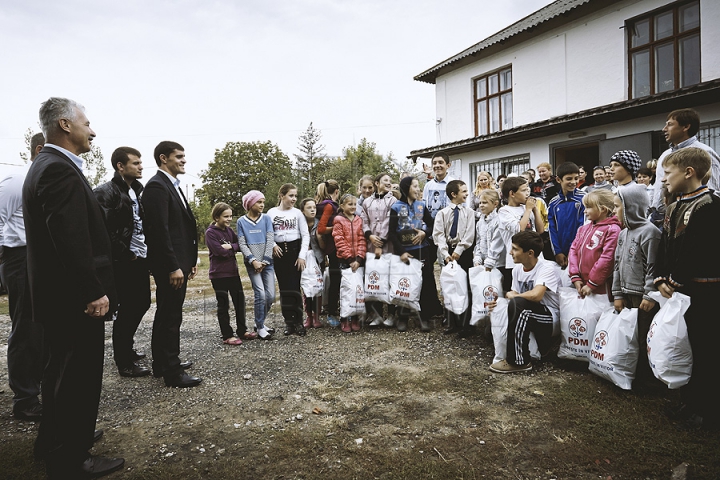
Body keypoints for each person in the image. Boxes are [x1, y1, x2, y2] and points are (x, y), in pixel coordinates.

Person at [23, 97, 124, 477]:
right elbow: (70, 239)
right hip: (72, 299)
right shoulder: (57, 170)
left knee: (59, 372)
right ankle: (70, 458)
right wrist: (92, 291)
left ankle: (54, 439)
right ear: (65, 125)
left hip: (58, 297)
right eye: (86, 122)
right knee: (77, 377)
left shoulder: (46, 165)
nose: (92, 130)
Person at [654, 147, 720, 431]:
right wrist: (659, 277)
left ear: (689, 172)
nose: (663, 180)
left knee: (707, 350)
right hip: (679, 291)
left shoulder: (711, 206)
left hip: (705, 292)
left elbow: (699, 251)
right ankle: (689, 402)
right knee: (686, 346)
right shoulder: (673, 206)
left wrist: (676, 280)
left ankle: (707, 411)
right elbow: (664, 248)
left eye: (668, 173)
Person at [142, 141, 201, 388]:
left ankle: (162, 363)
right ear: (163, 158)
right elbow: (159, 232)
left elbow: (180, 227)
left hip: (180, 263)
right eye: (179, 156)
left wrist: (190, 260)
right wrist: (172, 266)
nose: (184, 160)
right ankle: (172, 371)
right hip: (171, 267)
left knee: (167, 313)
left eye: (184, 156)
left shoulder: (171, 185)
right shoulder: (157, 186)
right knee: (170, 316)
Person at [94, 146, 151, 378]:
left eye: (140, 162)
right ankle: (124, 361)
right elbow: (103, 231)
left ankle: (126, 348)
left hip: (139, 258)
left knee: (142, 303)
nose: (140, 166)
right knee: (128, 309)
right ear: (120, 166)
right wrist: (126, 254)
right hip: (123, 261)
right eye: (135, 163)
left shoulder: (137, 190)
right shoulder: (105, 192)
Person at [0, 132, 45, 420]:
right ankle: (25, 399)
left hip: (44, 260)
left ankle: (40, 386)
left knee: (44, 328)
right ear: (39, 149)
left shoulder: (49, 183)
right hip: (19, 259)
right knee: (26, 329)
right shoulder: (17, 181)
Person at [611, 185, 661, 392]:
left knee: (643, 338)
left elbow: (654, 267)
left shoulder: (650, 233)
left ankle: (647, 381)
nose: (614, 211)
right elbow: (617, 264)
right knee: (629, 336)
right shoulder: (623, 234)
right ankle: (631, 373)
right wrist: (617, 293)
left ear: (631, 207)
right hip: (627, 294)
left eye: (617, 207)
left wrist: (649, 294)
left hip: (643, 297)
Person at [488, 231, 560, 374]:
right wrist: (500, 303)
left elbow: (536, 296)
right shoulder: (517, 270)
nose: (510, 252)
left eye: (515, 249)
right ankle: (532, 350)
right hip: (530, 313)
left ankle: (519, 361)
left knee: (519, 304)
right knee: (500, 309)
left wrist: (513, 296)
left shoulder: (547, 267)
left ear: (530, 253)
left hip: (550, 317)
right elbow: (513, 299)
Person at [389, 176, 440, 331]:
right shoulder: (396, 207)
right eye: (415, 186)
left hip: (422, 250)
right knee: (405, 282)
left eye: (419, 186)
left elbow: (432, 225)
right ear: (406, 189)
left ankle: (423, 317)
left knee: (424, 283)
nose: (418, 189)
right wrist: (402, 252)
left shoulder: (421, 205)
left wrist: (424, 233)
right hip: (404, 253)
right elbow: (391, 233)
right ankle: (402, 317)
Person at [206, 202, 256, 345]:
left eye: (230, 216)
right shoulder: (211, 233)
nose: (229, 219)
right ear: (216, 217)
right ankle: (227, 335)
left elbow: (240, 244)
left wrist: (231, 246)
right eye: (225, 216)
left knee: (239, 302)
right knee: (223, 305)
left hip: (233, 273)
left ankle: (242, 331)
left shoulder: (229, 231)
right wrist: (231, 249)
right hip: (218, 275)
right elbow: (219, 252)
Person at [653, 108, 720, 214]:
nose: (664, 129)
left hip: (690, 216)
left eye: (670, 124)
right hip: (662, 218)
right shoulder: (665, 154)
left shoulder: (703, 153)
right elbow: (657, 189)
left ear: (686, 127)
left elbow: (714, 190)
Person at [433, 180, 475, 337]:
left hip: (464, 252)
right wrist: (445, 254)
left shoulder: (469, 212)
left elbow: (469, 234)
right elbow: (439, 235)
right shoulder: (442, 214)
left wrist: (459, 250)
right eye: (463, 191)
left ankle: (467, 325)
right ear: (454, 194)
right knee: (450, 286)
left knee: (465, 287)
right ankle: (452, 322)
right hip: (448, 254)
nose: (466, 194)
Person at [268, 183, 310, 336]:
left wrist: (301, 256)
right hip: (279, 253)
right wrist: (272, 245)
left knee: (294, 288)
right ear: (282, 195)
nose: (294, 199)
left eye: (295, 196)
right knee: (284, 288)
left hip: (294, 252)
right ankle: (289, 322)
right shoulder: (271, 213)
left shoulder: (297, 213)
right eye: (291, 195)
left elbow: (305, 235)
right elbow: (268, 233)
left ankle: (298, 321)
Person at [568, 189, 621, 298]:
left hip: (601, 289)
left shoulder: (612, 230)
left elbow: (607, 258)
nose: (584, 211)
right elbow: (573, 251)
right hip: (582, 285)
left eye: (588, 207)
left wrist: (592, 283)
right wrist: (575, 276)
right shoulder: (583, 229)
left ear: (602, 209)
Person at [360, 172, 397, 327]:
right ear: (377, 183)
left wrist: (380, 241)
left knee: (388, 279)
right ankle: (376, 315)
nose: (389, 183)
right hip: (371, 244)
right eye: (385, 180)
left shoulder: (393, 200)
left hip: (387, 246)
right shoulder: (367, 202)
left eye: (390, 181)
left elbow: (389, 222)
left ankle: (392, 314)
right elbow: (364, 220)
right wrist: (369, 236)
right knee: (374, 278)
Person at [236, 190, 275, 340]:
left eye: (263, 202)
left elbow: (270, 239)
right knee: (261, 294)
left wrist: (264, 260)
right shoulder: (241, 221)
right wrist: (253, 260)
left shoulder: (266, 219)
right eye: (259, 202)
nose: (262, 205)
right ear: (250, 204)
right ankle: (260, 327)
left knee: (270, 296)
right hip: (252, 264)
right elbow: (242, 243)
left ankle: (260, 321)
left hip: (267, 263)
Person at [497, 176, 544, 292]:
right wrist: (528, 210)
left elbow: (540, 230)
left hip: (535, 258)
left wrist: (535, 210)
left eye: (528, 190)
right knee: (520, 292)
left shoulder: (526, 208)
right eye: (523, 190)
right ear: (512, 193)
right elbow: (519, 230)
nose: (527, 193)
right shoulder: (504, 211)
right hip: (516, 261)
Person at [333, 193, 367, 333]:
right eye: (349, 204)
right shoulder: (338, 220)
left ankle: (355, 317)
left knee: (358, 289)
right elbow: (339, 240)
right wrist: (349, 259)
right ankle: (344, 317)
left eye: (354, 204)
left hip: (358, 261)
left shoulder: (359, 220)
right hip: (345, 261)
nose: (353, 207)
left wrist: (359, 258)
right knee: (347, 289)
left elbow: (361, 239)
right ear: (342, 206)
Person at [547, 162, 585, 269]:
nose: (573, 182)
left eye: (576, 178)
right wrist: (557, 252)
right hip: (561, 254)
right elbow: (552, 228)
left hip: (579, 252)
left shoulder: (585, 199)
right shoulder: (553, 203)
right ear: (559, 180)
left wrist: (574, 251)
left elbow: (583, 227)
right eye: (569, 179)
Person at [315, 179, 341, 326]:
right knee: (336, 279)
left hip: (334, 246)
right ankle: (332, 311)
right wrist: (339, 226)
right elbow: (321, 228)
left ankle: (334, 309)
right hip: (334, 247)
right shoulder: (329, 206)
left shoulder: (324, 205)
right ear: (336, 191)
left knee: (336, 279)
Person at [299, 197, 323, 329]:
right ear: (302, 210)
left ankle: (317, 316)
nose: (312, 210)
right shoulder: (299, 224)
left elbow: (323, 246)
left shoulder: (319, 224)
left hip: (317, 260)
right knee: (306, 288)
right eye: (309, 208)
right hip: (304, 260)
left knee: (317, 288)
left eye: (314, 207)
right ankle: (308, 316)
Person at [473, 189, 502, 269]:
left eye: (485, 203)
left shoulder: (499, 221)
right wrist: (478, 258)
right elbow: (478, 241)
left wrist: (490, 261)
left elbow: (497, 243)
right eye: (480, 203)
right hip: (484, 263)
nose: (481, 205)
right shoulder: (480, 223)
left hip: (498, 263)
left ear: (495, 204)